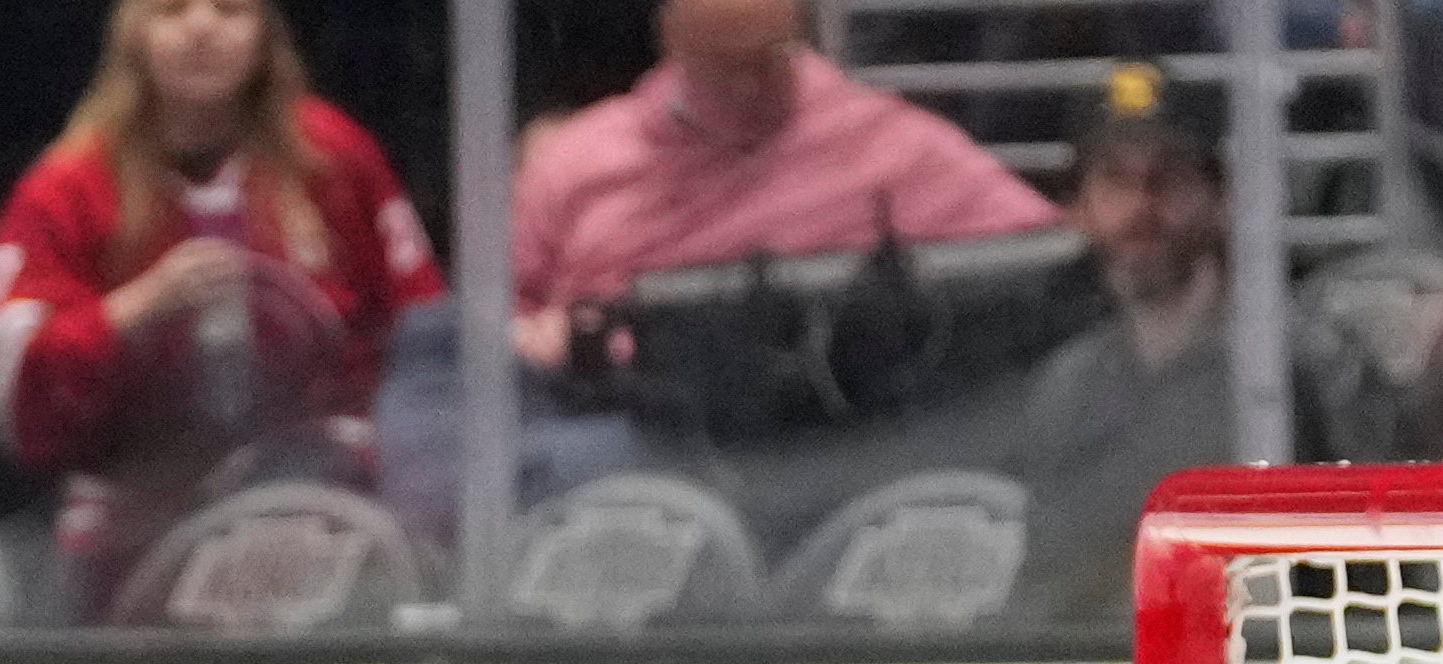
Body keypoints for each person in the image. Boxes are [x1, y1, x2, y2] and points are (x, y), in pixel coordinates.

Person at [0, 0, 441, 608]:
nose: (201, 28)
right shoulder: (69, 186)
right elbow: (10, 386)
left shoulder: (335, 158)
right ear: (134, 34)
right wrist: (129, 311)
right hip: (129, 509)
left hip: (326, 496)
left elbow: (425, 339)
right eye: (172, 10)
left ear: (265, 32)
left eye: (229, 9)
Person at [512, 0, 1047, 346]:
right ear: (672, 43)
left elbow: (1040, 249)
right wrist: (531, 339)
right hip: (618, 428)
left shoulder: (879, 141)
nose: (749, 89)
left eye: (767, 62)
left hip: (836, 425)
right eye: (726, 66)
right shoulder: (578, 162)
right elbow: (489, 322)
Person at [1008, 68, 1240, 620]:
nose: (1142, 205)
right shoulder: (1066, 388)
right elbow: (1042, 590)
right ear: (1079, 208)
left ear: (1220, 198)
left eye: (1169, 178)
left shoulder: (1291, 372)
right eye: (1115, 180)